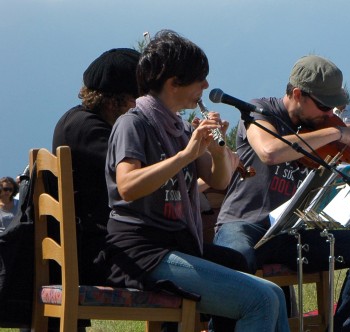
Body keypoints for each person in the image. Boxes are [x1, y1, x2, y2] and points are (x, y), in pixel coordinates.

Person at [99, 30, 288, 331]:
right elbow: (128, 186)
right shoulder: (133, 123)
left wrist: (215, 149)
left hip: (176, 246)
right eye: (200, 78)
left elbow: (221, 180)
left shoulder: (178, 126)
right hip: (141, 253)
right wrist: (186, 156)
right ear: (174, 82)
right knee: (260, 301)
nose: (206, 86)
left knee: (274, 293)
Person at [213, 54, 350, 332]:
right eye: (323, 106)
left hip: (292, 234)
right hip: (245, 224)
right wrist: (336, 133)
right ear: (297, 94)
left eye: (333, 108)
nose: (330, 115)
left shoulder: (323, 129)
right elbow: (270, 151)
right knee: (236, 260)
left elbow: (330, 213)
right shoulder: (260, 112)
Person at [51, 48, 140, 285]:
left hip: (93, 248)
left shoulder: (77, 120)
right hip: (97, 257)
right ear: (115, 100)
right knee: (210, 263)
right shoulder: (90, 130)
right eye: (138, 100)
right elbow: (136, 182)